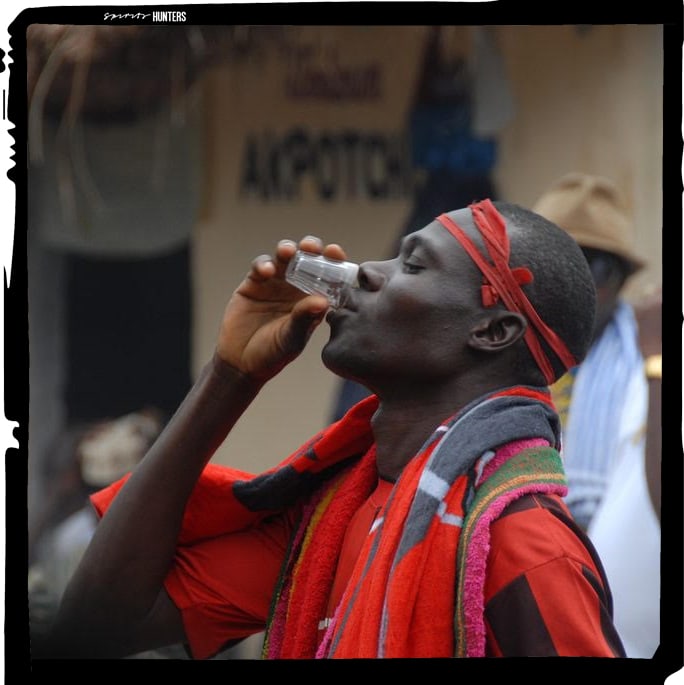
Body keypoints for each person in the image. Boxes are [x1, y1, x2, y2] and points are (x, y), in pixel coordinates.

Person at [37, 199, 626, 659]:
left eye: (413, 265)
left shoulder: (524, 545)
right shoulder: (331, 516)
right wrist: (228, 377)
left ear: (493, 332)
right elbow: (92, 630)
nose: (366, 271)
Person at [533, 172, 661, 658]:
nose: (576, 281)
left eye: (595, 265)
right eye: (558, 263)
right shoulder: (492, 349)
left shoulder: (646, 363)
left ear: (622, 279)